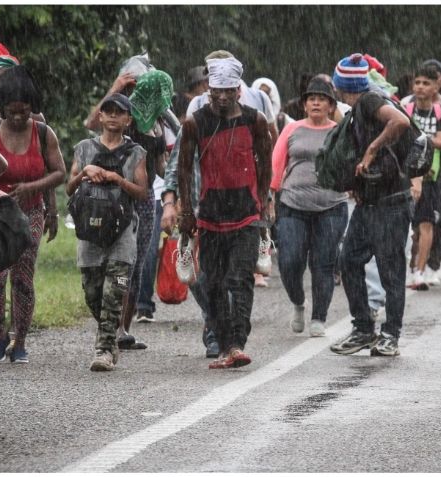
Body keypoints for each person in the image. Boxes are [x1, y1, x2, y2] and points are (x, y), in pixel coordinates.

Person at [177, 55, 272, 369]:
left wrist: (263, 205)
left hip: (246, 212)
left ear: (238, 91)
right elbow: (184, 170)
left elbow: (265, 165)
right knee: (213, 282)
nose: (221, 96)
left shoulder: (255, 121)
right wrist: (186, 212)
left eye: (228, 90)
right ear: (208, 89)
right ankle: (226, 345)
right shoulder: (195, 123)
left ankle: (236, 342)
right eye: (215, 90)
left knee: (240, 277)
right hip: (211, 213)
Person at [327, 53, 414, 357]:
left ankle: (391, 333)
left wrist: (371, 153)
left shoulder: (369, 100)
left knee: (391, 270)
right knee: (349, 260)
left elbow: (400, 122)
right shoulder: (358, 109)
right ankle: (364, 328)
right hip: (370, 202)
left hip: (392, 202)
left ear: (341, 85)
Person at [0, 66, 66, 363]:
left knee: (23, 278)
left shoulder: (43, 133)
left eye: (24, 112)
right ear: (1, 107)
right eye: (12, 112)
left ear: (33, 107)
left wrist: (33, 188)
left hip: (31, 214)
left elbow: (59, 173)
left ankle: (21, 342)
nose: (18, 118)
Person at [67, 93, 148, 371]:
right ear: (99, 116)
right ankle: (110, 336)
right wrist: (85, 172)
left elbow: (142, 192)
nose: (113, 116)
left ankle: (103, 349)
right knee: (92, 292)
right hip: (88, 227)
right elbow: (69, 188)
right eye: (108, 111)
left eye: (119, 112)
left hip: (123, 227)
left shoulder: (136, 153)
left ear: (128, 120)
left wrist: (117, 179)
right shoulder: (84, 148)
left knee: (115, 289)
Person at [270, 77, 347, 337]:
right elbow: (276, 164)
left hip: (332, 206)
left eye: (321, 98)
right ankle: (298, 302)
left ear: (331, 105)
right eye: (311, 98)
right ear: (304, 105)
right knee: (289, 261)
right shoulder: (291, 130)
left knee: (323, 263)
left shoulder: (340, 131)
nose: (315, 102)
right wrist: (270, 198)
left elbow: (349, 163)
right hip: (293, 204)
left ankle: (319, 317)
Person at [117, 69, 176, 345]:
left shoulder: (158, 123)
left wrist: (176, 187)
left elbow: (160, 164)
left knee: (139, 265)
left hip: (146, 201)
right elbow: (94, 124)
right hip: (121, 198)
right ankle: (111, 326)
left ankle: (124, 329)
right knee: (121, 262)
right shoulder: (127, 120)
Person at [402, 64, 441, 290]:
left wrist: (417, 139)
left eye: (426, 83)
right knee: (404, 225)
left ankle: (420, 271)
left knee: (426, 224)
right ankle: (406, 268)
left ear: (436, 86)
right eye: (417, 83)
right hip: (405, 174)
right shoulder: (405, 108)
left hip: (432, 175)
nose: (420, 87)